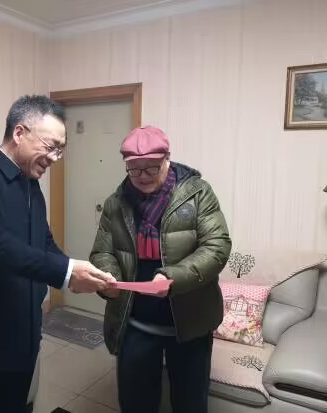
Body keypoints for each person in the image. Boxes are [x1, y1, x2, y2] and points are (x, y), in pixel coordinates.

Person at [0, 95, 116, 413]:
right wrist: (66, 271)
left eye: (61, 149)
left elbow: (42, 243)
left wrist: (76, 273)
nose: (55, 158)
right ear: (19, 133)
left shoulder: (30, 184)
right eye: (51, 146)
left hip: (22, 341)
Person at [90, 126, 232, 413]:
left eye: (151, 168)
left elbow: (217, 246)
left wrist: (172, 277)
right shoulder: (116, 202)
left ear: (168, 159)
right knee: (136, 403)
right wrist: (109, 278)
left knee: (190, 404)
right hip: (135, 323)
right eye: (134, 169)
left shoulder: (198, 193)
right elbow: (102, 251)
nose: (142, 176)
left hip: (190, 323)